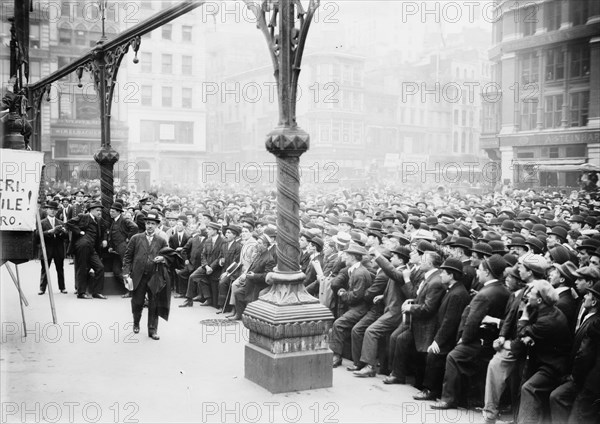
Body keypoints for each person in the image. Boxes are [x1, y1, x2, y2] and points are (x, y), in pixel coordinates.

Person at [122, 212, 169, 340]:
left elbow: (169, 256)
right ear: (144, 224)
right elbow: (127, 257)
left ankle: (152, 330)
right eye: (148, 223)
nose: (149, 226)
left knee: (154, 303)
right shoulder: (136, 238)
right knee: (137, 302)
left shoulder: (161, 241)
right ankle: (136, 322)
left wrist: (163, 258)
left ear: (157, 225)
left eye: (152, 224)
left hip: (155, 276)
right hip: (139, 276)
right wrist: (126, 272)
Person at [330, 243, 372, 368]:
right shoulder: (355, 271)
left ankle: (336, 357)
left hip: (360, 309)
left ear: (353, 257)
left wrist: (343, 293)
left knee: (338, 324)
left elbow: (356, 296)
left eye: (347, 255)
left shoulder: (359, 273)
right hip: (356, 307)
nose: (345, 257)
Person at [66, 201, 107, 299]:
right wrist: (79, 232)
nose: (99, 212)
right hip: (83, 246)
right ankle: (81, 293)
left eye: (100, 210)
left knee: (100, 267)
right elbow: (69, 223)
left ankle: (96, 292)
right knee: (83, 268)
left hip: (92, 247)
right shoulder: (83, 216)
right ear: (91, 210)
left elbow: (104, 229)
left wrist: (104, 239)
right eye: (97, 210)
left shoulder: (99, 220)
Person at [107, 201, 138, 298]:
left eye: (112, 211)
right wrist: (111, 246)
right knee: (117, 271)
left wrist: (128, 238)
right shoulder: (115, 221)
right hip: (117, 250)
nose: (110, 213)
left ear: (118, 212)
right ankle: (129, 288)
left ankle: (130, 291)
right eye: (110, 211)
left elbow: (134, 227)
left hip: (123, 248)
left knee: (126, 269)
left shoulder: (124, 219)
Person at [37, 200, 69, 294]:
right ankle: (42, 288)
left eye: (55, 209)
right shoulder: (41, 222)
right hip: (47, 248)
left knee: (60, 269)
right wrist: (50, 232)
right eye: (50, 209)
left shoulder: (61, 222)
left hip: (58, 248)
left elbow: (66, 237)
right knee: (45, 269)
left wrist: (63, 232)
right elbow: (37, 235)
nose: (53, 211)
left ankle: (62, 287)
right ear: (47, 210)